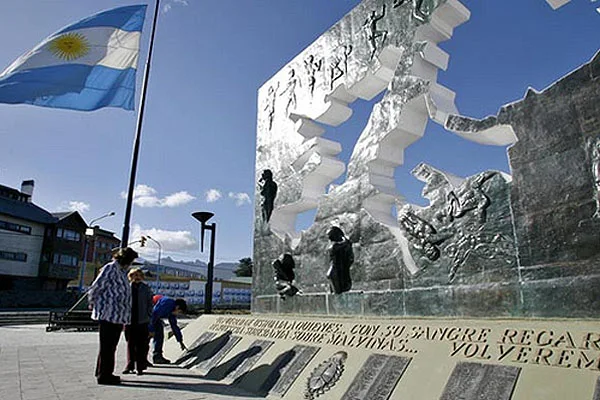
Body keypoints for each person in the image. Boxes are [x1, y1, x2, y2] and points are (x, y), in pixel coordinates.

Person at [87, 247, 137, 385]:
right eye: (131, 261)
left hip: (118, 315)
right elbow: (97, 287)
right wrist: (92, 302)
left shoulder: (121, 271)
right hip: (108, 313)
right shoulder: (110, 268)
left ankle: (103, 372)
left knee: (110, 346)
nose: (131, 264)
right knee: (107, 346)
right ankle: (104, 375)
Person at [122, 268, 154, 375]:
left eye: (139, 275)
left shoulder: (146, 288)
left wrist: (148, 315)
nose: (137, 277)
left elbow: (150, 303)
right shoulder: (126, 288)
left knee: (142, 344)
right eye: (134, 275)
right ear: (130, 277)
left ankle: (140, 367)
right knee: (130, 344)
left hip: (142, 320)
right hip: (129, 320)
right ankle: (129, 365)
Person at [149, 296, 188, 364]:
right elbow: (154, 314)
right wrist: (151, 330)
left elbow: (174, 326)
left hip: (154, 316)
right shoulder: (167, 303)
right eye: (179, 312)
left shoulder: (172, 312)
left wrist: (180, 341)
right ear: (177, 307)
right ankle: (141, 358)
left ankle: (157, 356)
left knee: (159, 333)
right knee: (148, 335)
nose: (178, 314)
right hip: (148, 313)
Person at [326, 226, 354, 294]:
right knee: (337, 294)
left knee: (337, 295)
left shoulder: (337, 247)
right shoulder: (334, 247)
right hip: (336, 275)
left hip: (338, 275)